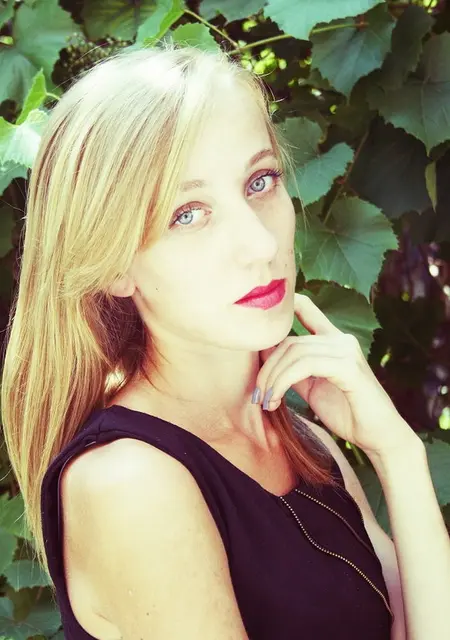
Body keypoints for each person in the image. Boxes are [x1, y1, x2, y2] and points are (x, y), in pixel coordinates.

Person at [1, 42, 414, 639]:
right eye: (187, 214)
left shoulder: (303, 441)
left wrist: (397, 453)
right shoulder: (132, 482)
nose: (260, 245)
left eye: (260, 181)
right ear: (113, 264)